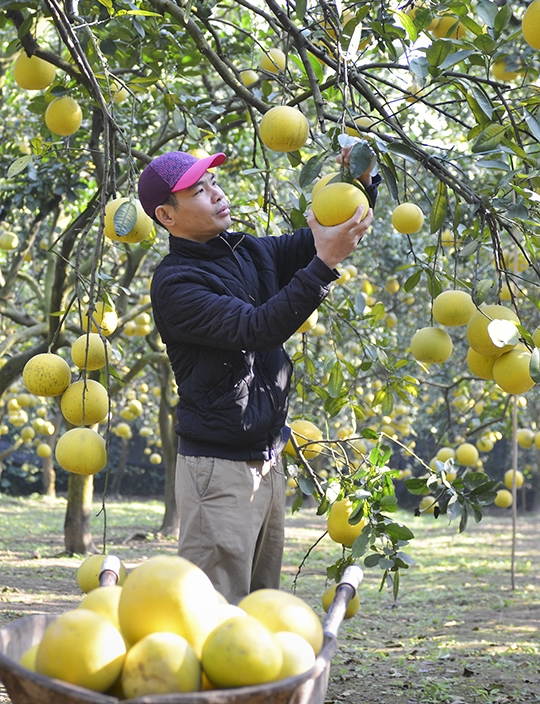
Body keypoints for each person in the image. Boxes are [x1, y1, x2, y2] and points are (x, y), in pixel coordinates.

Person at [140, 147, 376, 602]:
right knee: (214, 609)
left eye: (213, 183)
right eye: (199, 190)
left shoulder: (247, 251)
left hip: (265, 462)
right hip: (218, 469)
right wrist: (323, 267)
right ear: (167, 216)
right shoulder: (176, 283)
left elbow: (321, 236)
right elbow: (258, 327)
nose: (216, 193)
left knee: (257, 604)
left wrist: (359, 183)